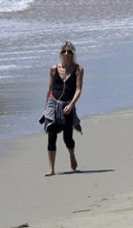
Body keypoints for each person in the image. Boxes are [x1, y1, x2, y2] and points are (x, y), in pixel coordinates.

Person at [42, 41, 83, 176]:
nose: (66, 53)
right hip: (53, 104)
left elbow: (78, 89)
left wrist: (71, 105)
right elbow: (50, 89)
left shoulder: (78, 69)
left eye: (69, 51)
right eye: (64, 51)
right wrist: (45, 108)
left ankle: (72, 155)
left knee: (67, 138)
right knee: (51, 135)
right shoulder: (54, 69)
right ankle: (51, 168)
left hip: (67, 105)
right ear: (60, 53)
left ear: (73, 54)